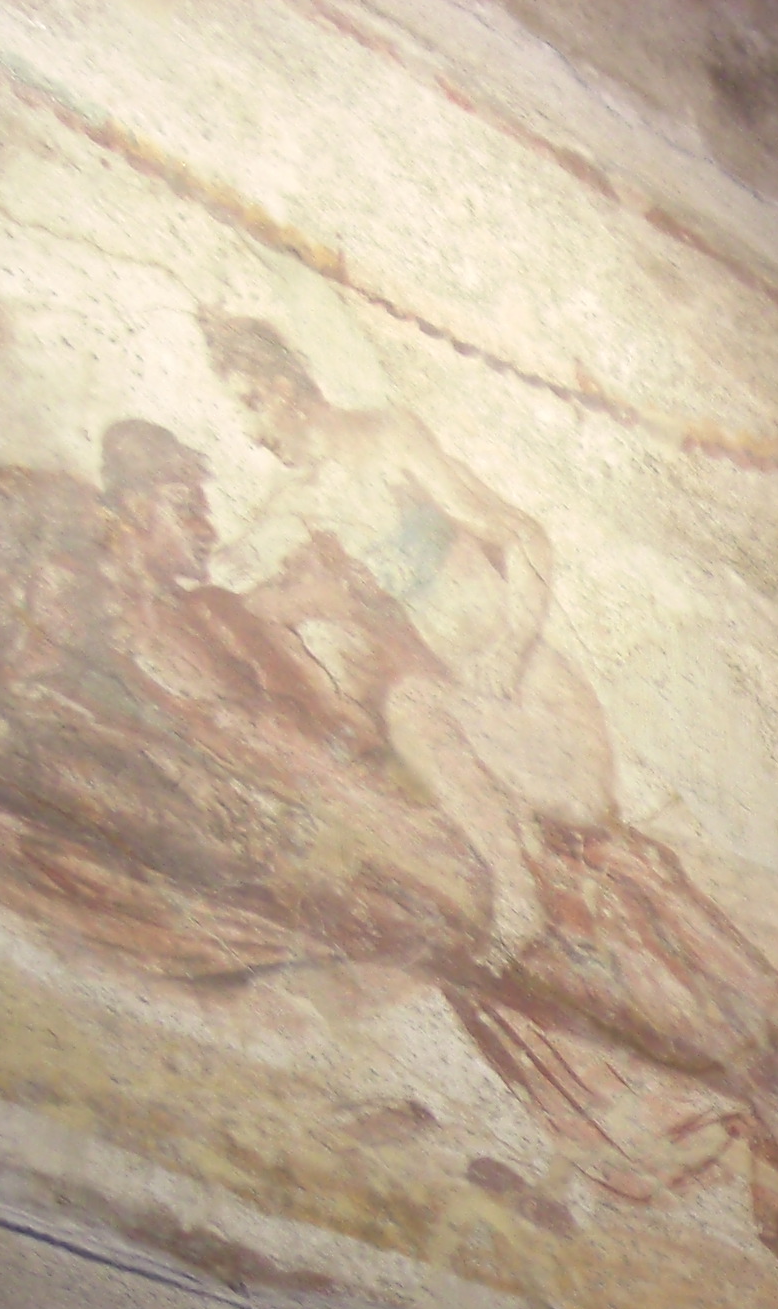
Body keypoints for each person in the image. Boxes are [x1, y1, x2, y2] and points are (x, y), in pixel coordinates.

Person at [199, 313, 617, 966]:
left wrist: (511, 646)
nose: (251, 431)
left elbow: (524, 535)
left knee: (412, 707)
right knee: (406, 710)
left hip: (541, 707)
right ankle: (518, 881)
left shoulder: (390, 438)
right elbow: (234, 575)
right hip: (473, 718)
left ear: (283, 386)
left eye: (251, 403)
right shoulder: (294, 501)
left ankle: (520, 897)